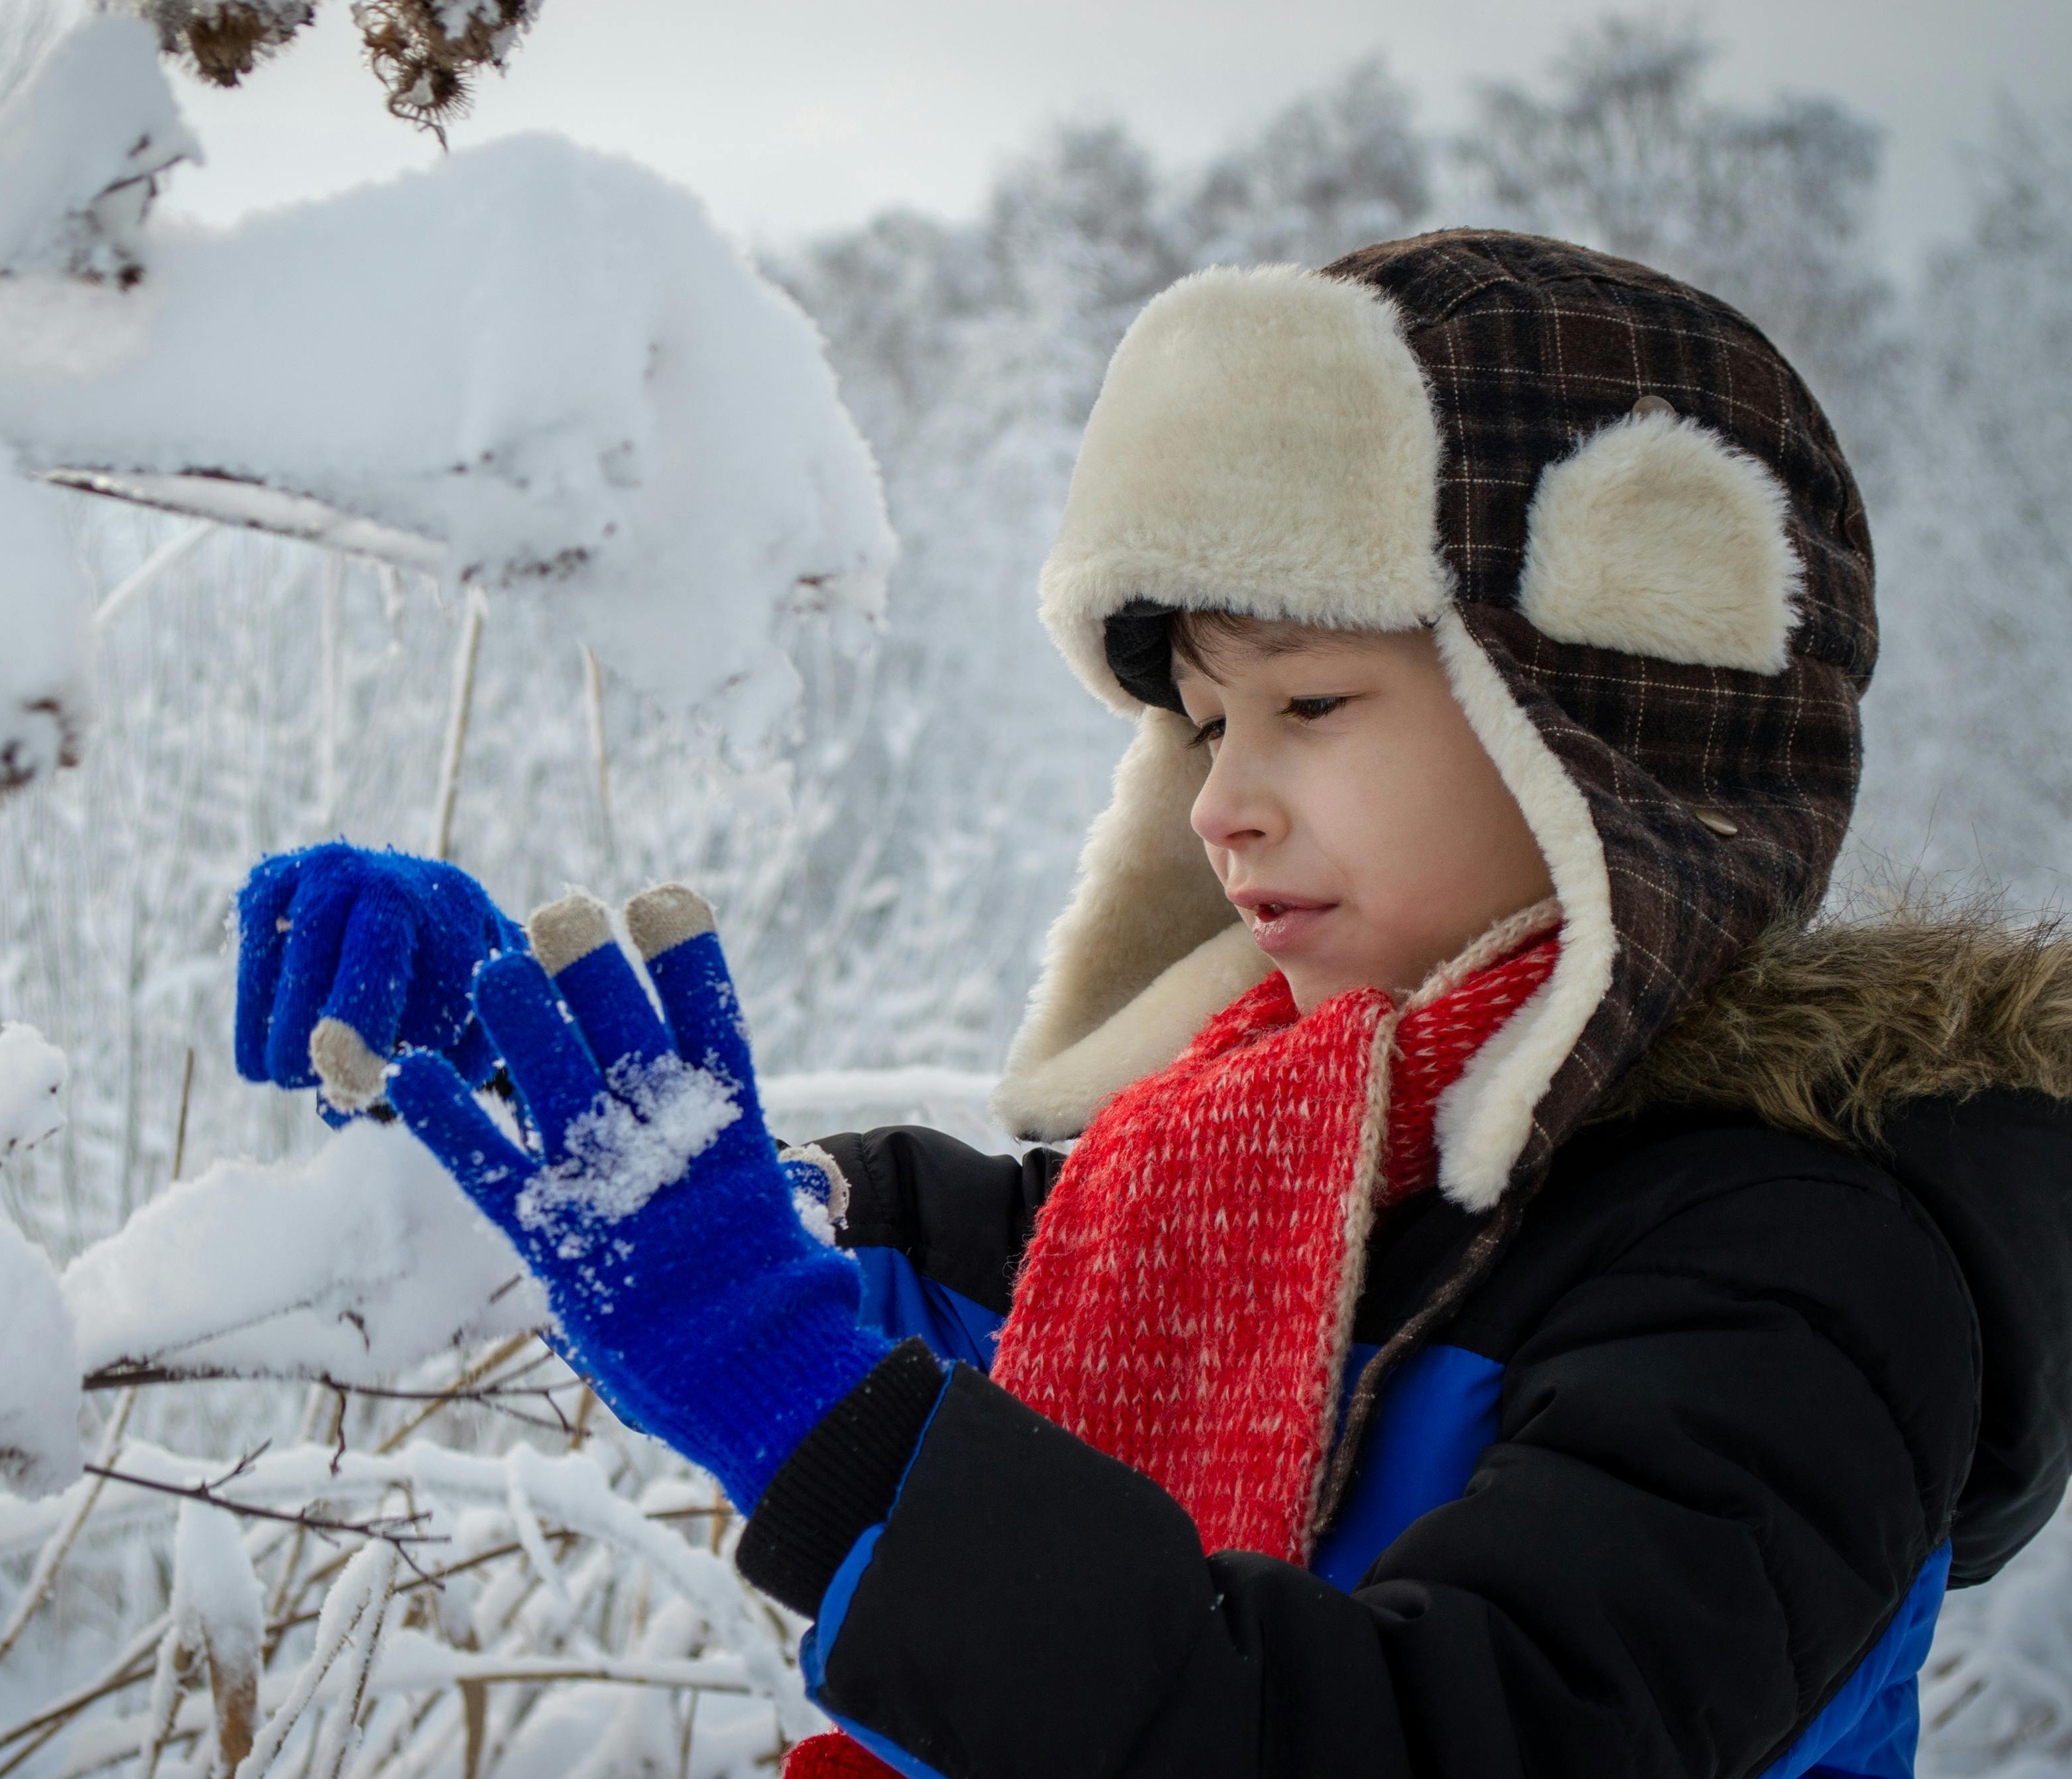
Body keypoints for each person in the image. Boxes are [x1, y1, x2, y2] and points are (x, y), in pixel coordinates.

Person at [233, 231, 2072, 1779]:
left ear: (1599, 720)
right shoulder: (1280, 1166)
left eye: (1310, 706)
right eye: (1203, 724)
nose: (1221, 802)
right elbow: (892, 1260)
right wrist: (531, 1073)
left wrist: (819, 1423)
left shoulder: (1806, 1277)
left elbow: (1420, 1741)